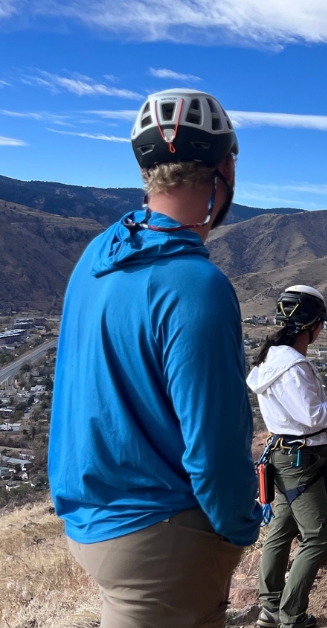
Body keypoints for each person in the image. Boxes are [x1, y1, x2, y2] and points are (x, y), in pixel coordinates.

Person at [48, 88, 258, 628]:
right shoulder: (197, 287)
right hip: (161, 540)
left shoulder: (100, 254)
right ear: (225, 166)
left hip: (92, 518)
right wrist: (240, 527)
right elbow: (213, 446)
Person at [246, 286, 327, 628]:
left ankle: (270, 607)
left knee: (281, 530)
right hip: (300, 460)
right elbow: (314, 417)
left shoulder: (271, 359)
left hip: (285, 455)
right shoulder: (293, 365)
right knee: (318, 538)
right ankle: (291, 615)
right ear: (314, 325)